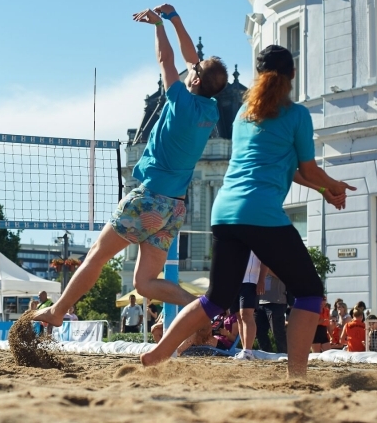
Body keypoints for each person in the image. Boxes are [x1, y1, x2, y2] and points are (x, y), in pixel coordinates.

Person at [142, 44, 355, 378]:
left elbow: (289, 169)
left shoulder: (244, 115)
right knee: (310, 292)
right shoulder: (296, 114)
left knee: (215, 299)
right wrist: (333, 186)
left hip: (225, 213)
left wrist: (325, 188)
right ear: (292, 75)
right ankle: (297, 376)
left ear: (258, 76)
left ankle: (160, 351)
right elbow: (308, 169)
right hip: (261, 214)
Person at [28, 4, 228, 330]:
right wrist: (174, 18)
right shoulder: (212, 110)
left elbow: (167, 60)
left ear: (193, 78)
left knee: (97, 255)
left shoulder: (178, 100)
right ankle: (201, 307)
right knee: (144, 283)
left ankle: (58, 310)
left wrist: (158, 26)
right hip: (174, 208)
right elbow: (192, 61)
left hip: (148, 200)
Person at [232, 253, 268, 360]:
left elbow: (265, 260)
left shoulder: (256, 239)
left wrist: (261, 280)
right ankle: (244, 351)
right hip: (234, 282)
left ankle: (248, 351)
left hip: (250, 281)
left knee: (246, 315)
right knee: (239, 316)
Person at [255, 272, 288, 353]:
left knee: (277, 332)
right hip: (259, 301)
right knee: (259, 332)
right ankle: (266, 354)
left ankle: (284, 355)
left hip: (276, 302)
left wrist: (264, 268)